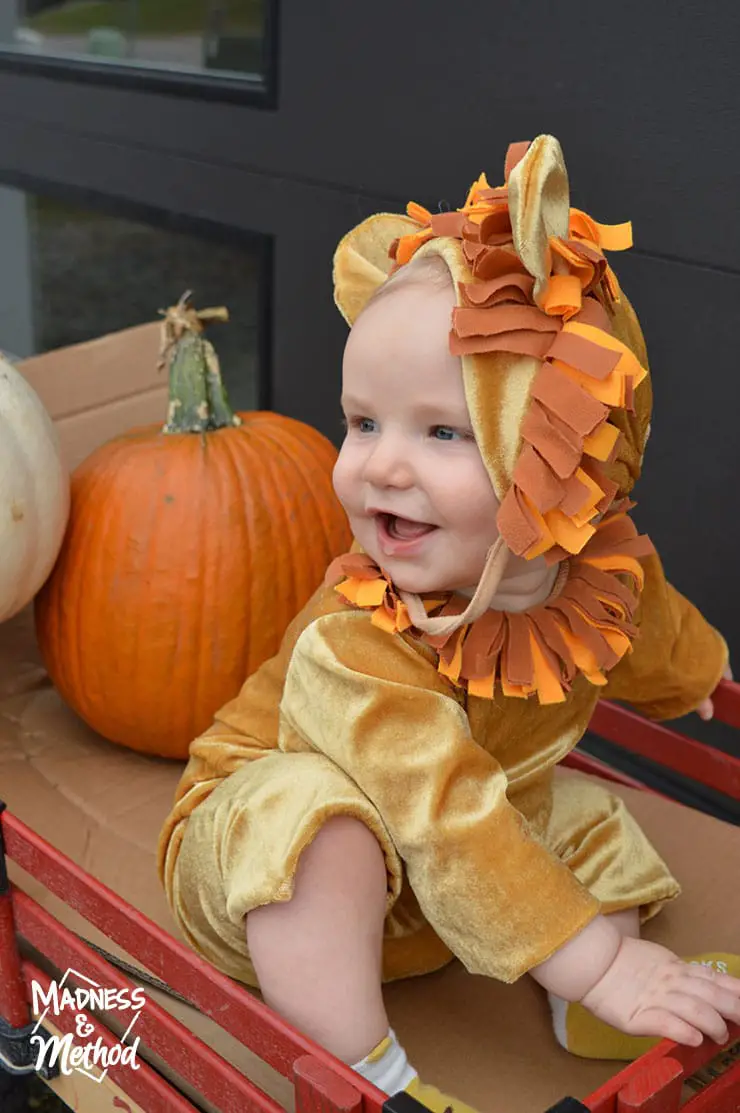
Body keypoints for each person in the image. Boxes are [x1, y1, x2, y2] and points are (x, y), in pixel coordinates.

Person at [157, 135, 740, 1113]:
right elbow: (447, 818)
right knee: (311, 821)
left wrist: (707, 687)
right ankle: (367, 1077)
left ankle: (580, 1009)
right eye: (363, 422)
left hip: (443, 893)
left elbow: (664, 649)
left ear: (565, 462)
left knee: (592, 820)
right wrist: (596, 961)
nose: (380, 466)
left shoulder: (592, 582)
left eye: (440, 432)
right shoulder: (355, 643)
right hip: (273, 875)